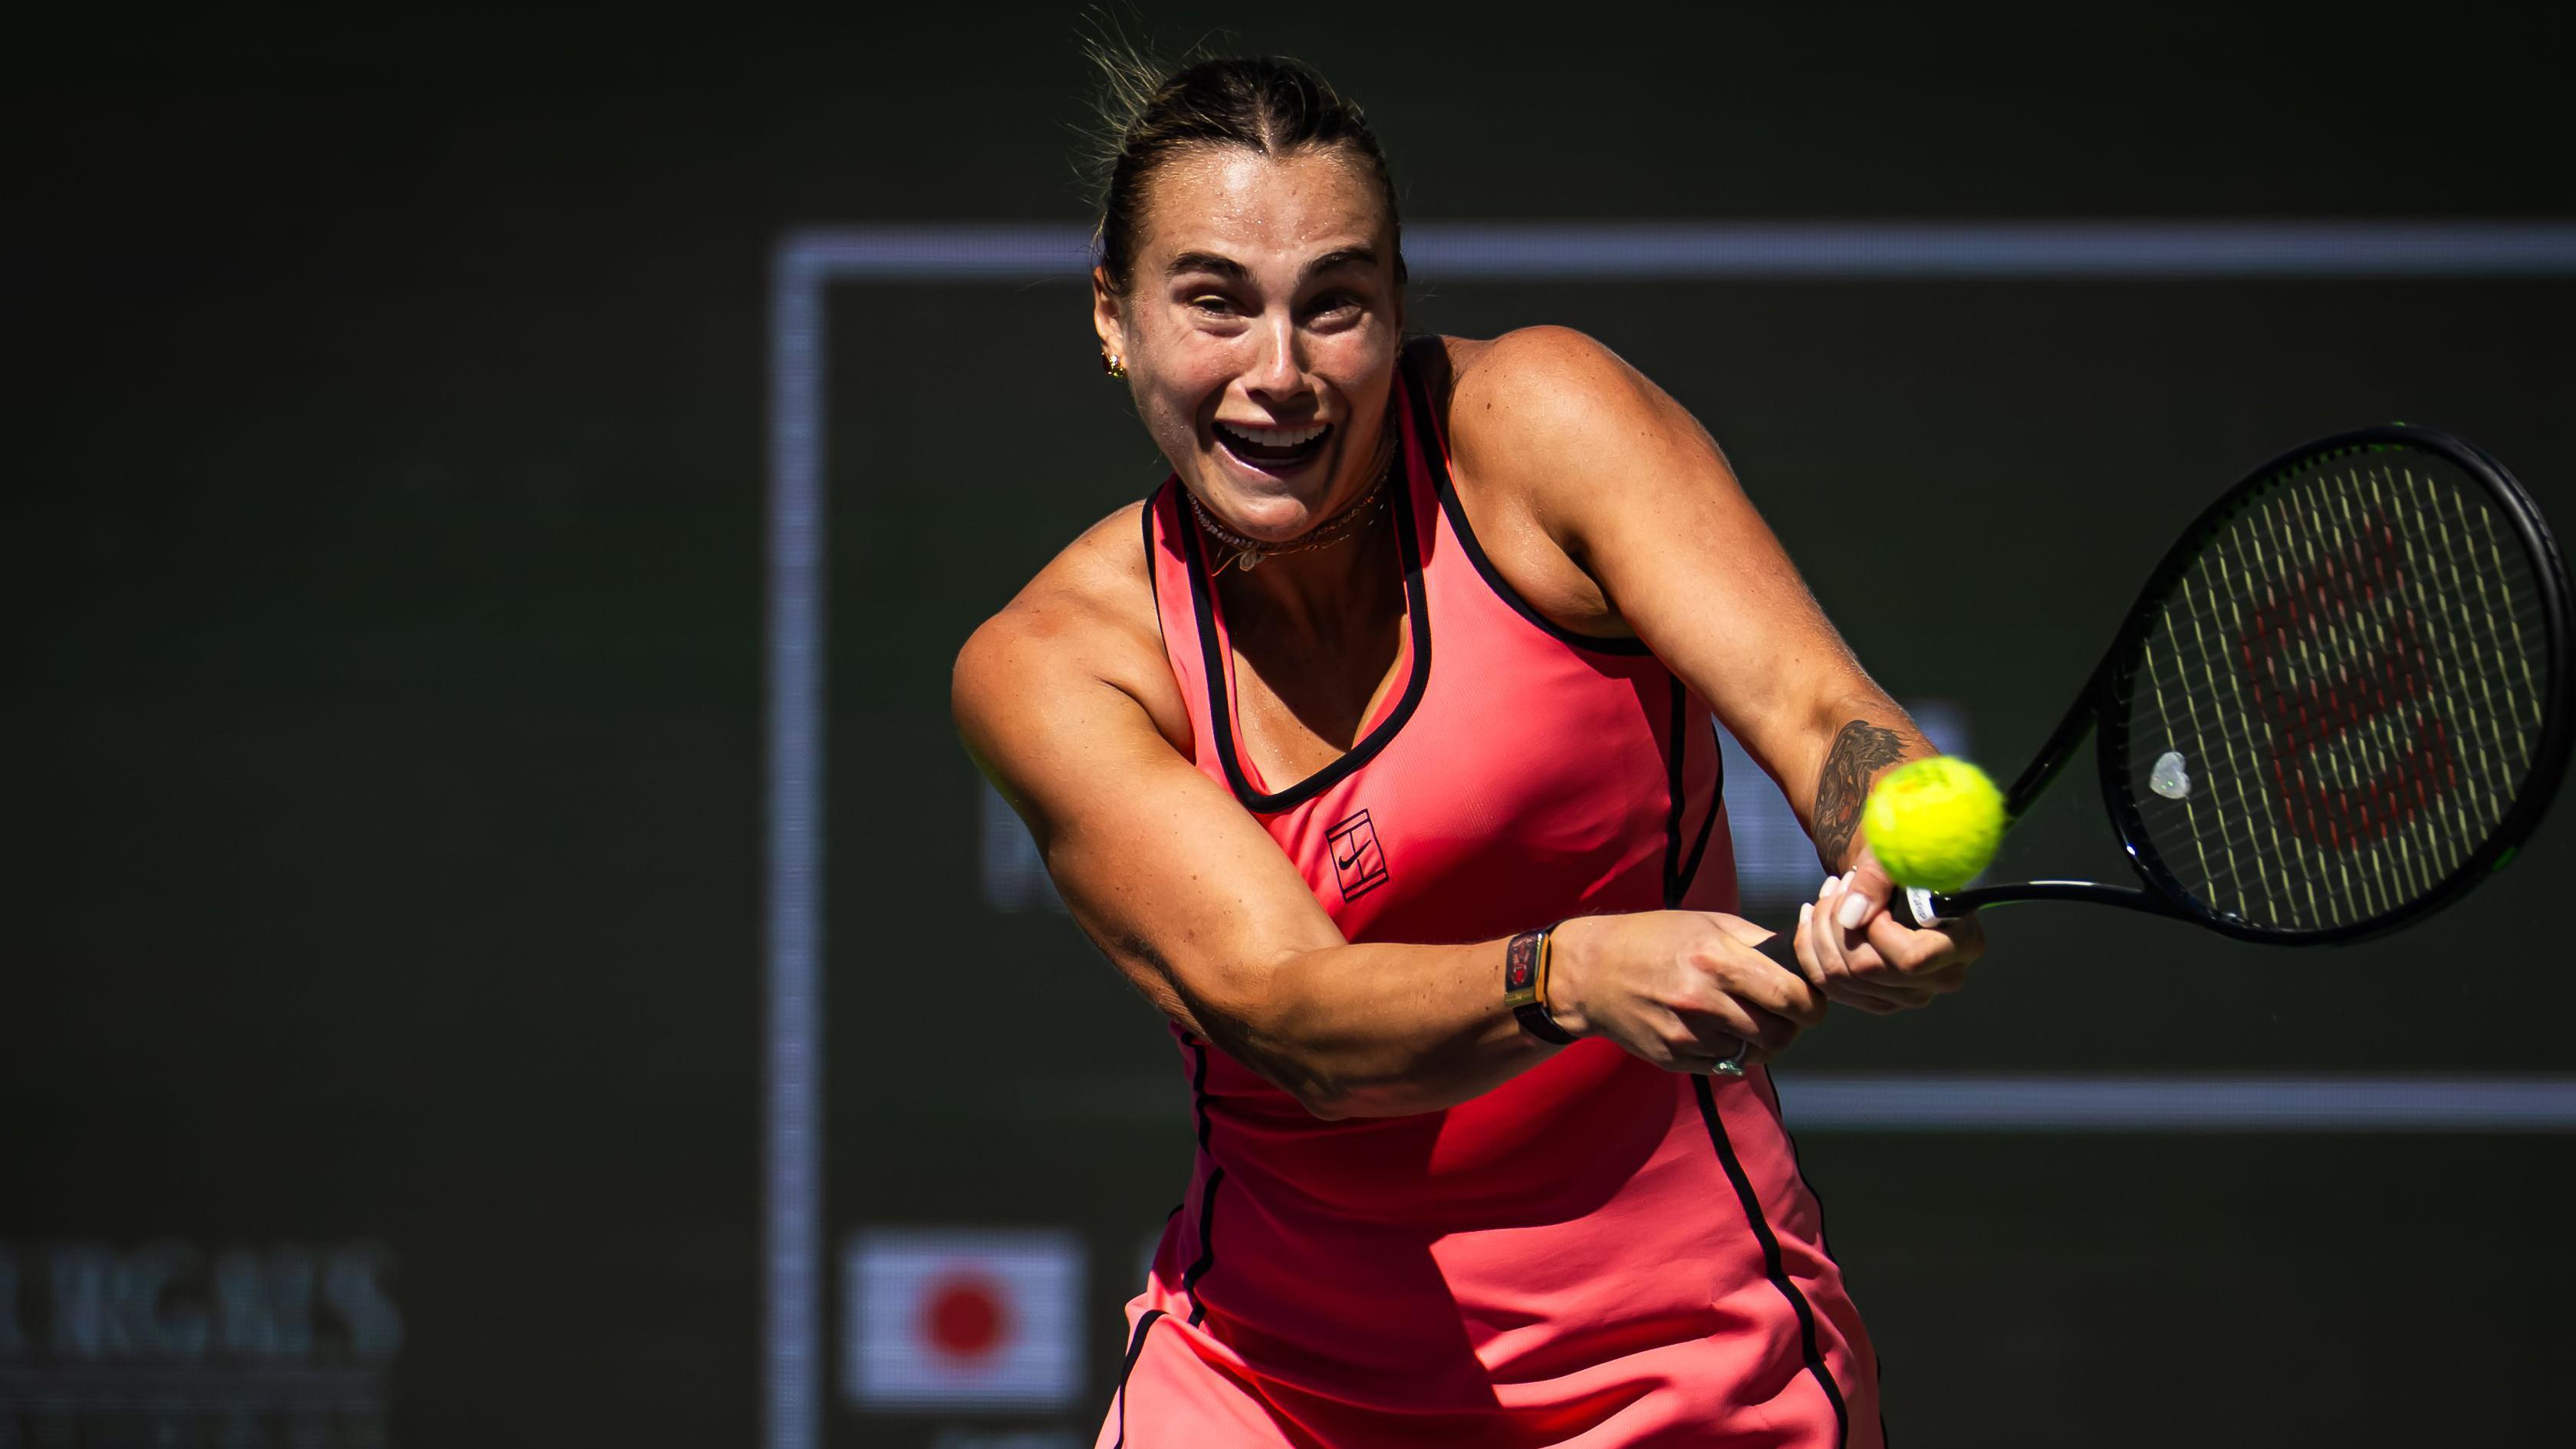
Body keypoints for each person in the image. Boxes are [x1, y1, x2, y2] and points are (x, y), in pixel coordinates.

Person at [952, 50, 1983, 1449]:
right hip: (1265, 1388)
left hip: (1685, 1372)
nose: (1278, 373)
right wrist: (1568, 972)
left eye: (1335, 303)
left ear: (1396, 306)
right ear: (1113, 318)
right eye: (1217, 303)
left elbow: (1823, 714)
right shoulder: (1055, 665)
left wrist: (1891, 846)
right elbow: (1290, 1013)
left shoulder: (1544, 425)